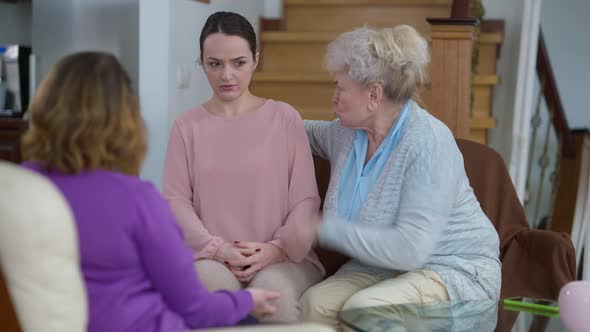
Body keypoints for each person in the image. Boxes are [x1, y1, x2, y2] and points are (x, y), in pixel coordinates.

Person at [21, 51, 279, 332]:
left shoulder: (20, 187)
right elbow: (196, 310)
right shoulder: (136, 200)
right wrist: (245, 301)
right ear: (124, 118)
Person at [298, 25, 501, 328]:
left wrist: (322, 229)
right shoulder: (345, 133)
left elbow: (410, 249)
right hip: (380, 268)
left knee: (366, 310)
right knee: (314, 305)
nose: (334, 97)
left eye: (341, 88)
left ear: (374, 94)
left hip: (453, 271)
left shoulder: (428, 141)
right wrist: (257, 115)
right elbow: (301, 130)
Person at [162, 11, 324, 322]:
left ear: (255, 59)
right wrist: (217, 248)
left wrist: (275, 249)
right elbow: (175, 201)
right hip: (211, 257)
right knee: (205, 291)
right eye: (215, 64)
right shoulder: (186, 127)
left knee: (274, 297)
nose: (227, 75)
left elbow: (306, 199)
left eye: (238, 62)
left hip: (284, 257)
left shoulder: (285, 118)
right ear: (202, 63)